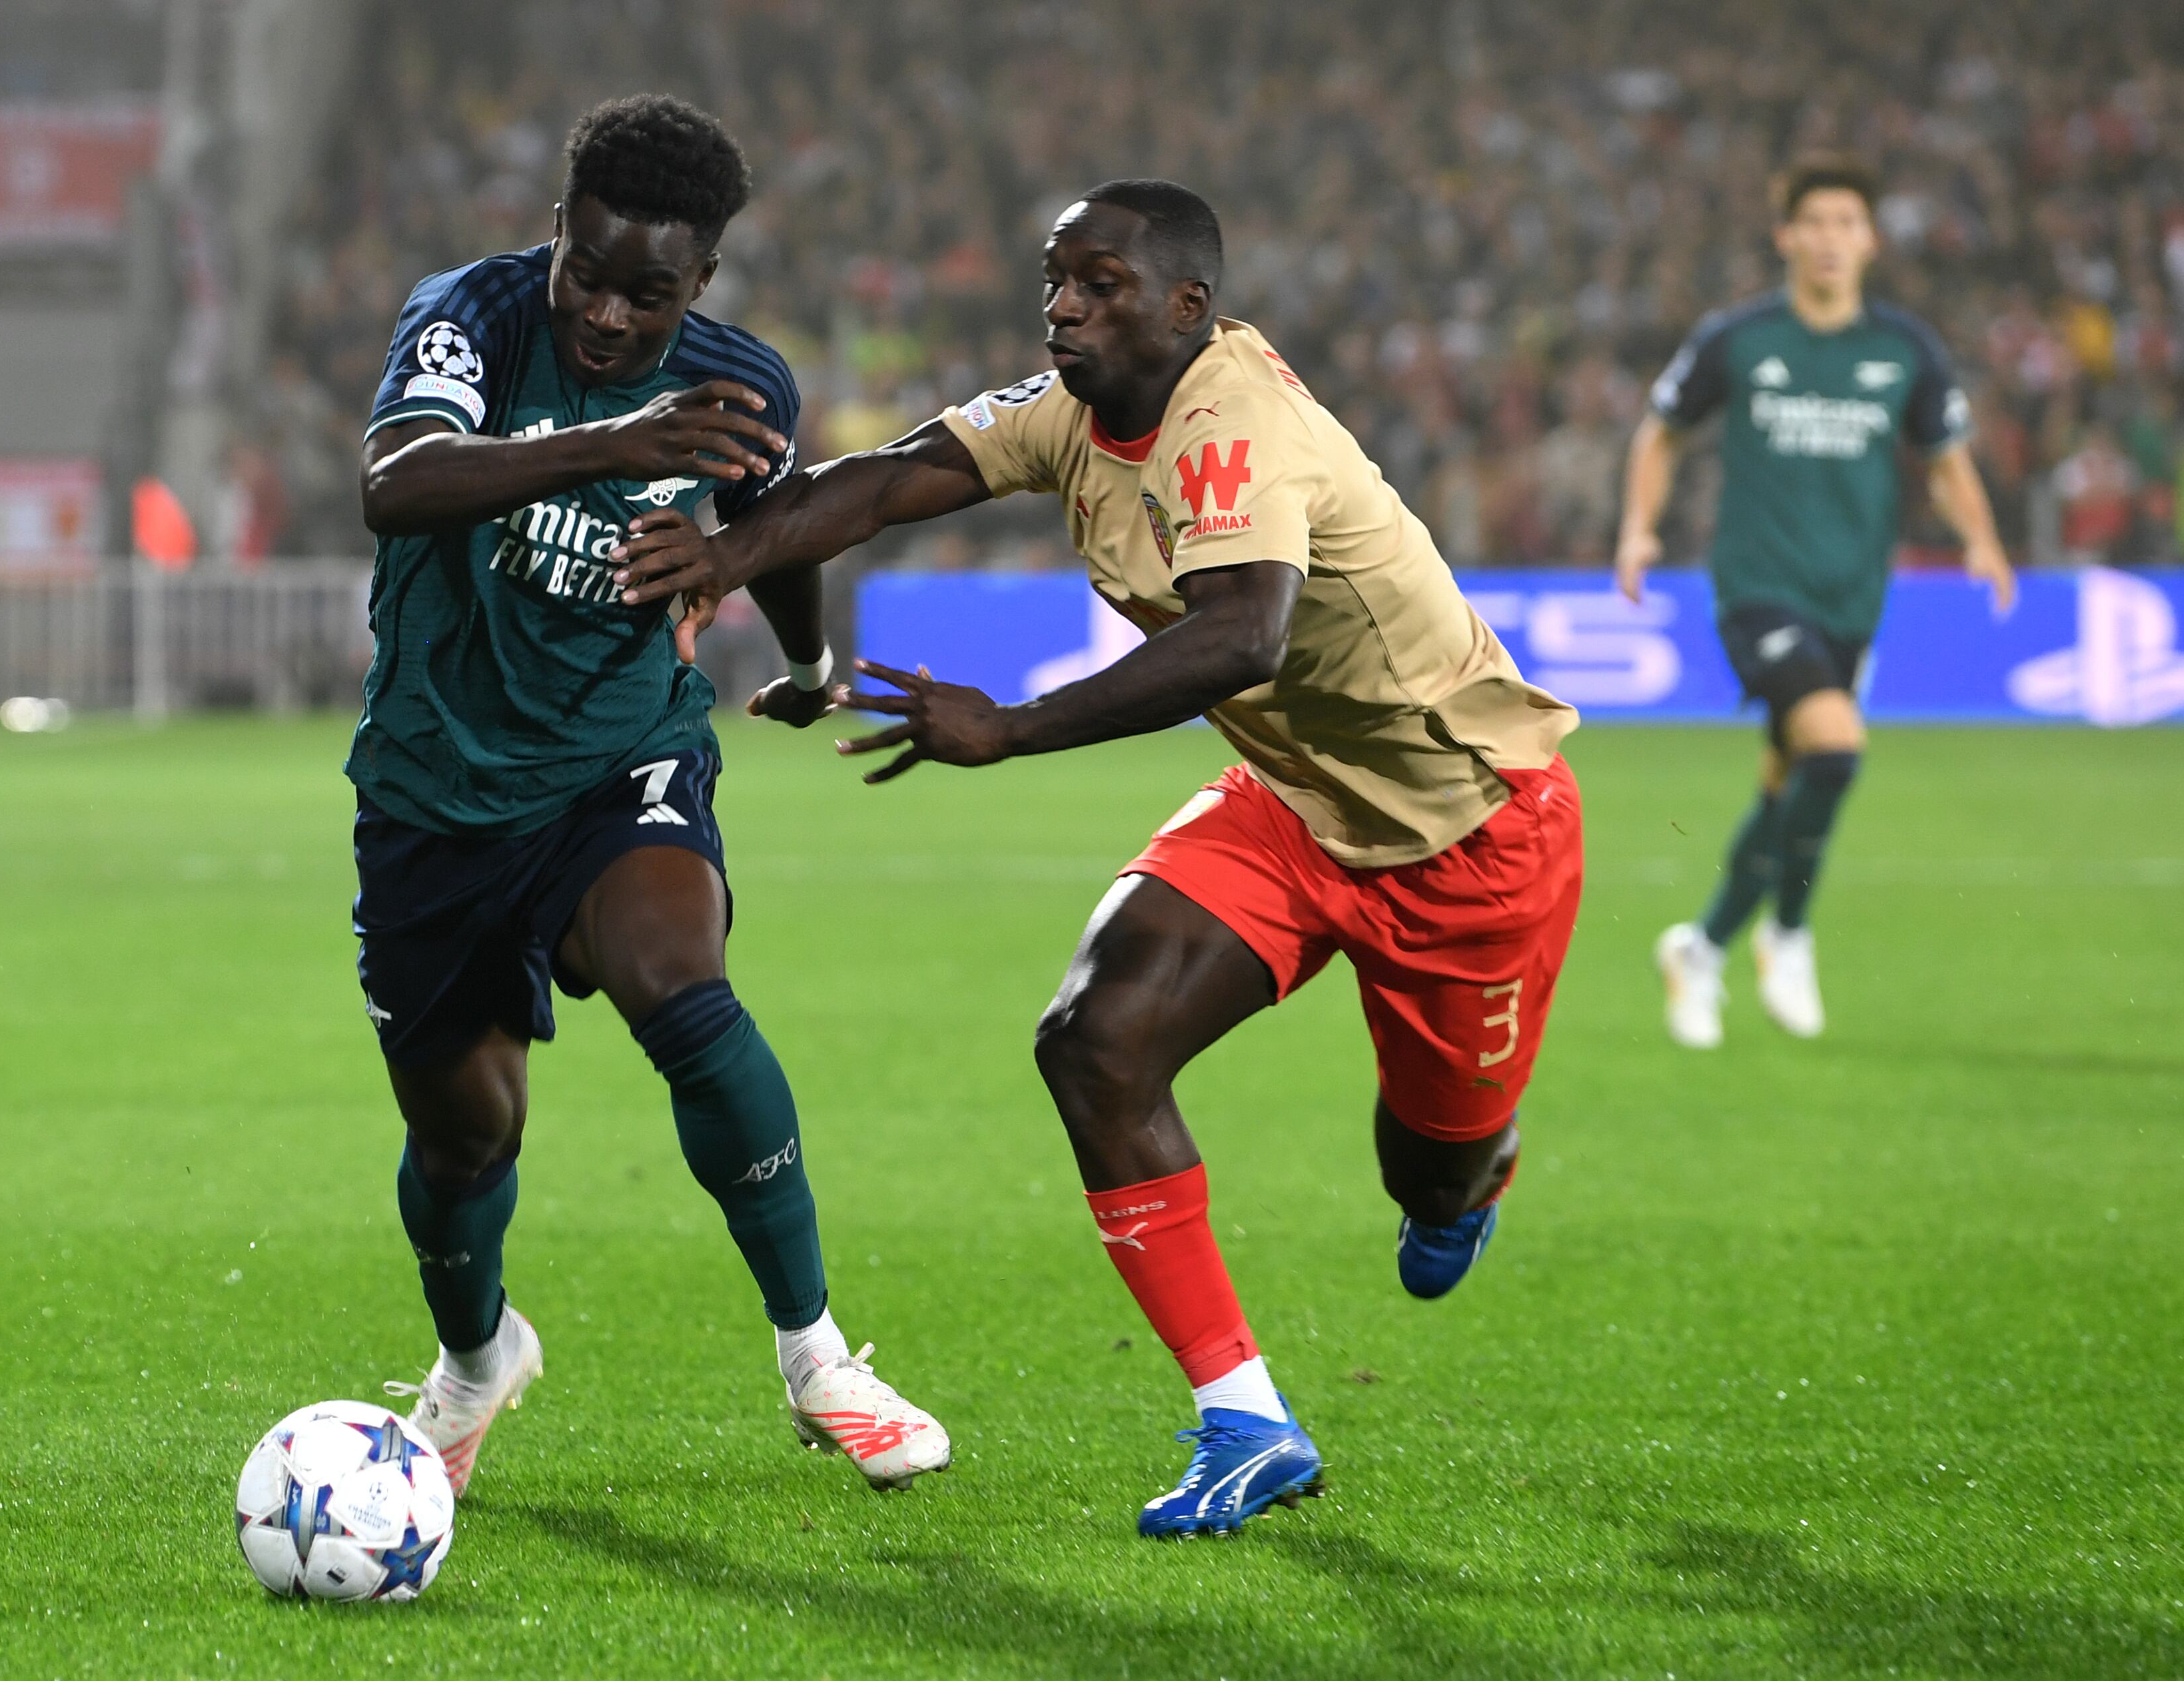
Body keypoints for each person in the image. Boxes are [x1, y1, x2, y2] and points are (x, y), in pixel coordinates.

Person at [612, 180, 1583, 1538]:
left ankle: (1470, 1170)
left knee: (1430, 1176)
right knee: (1094, 1037)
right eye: (1057, 279)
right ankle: (1247, 1420)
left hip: (1469, 836)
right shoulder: (1076, 405)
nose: (1064, 304)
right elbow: (886, 480)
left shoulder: (1231, 426)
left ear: (1188, 306)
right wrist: (724, 559)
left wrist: (1007, 728)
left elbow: (1240, 635)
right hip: (1294, 804)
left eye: (1101, 283)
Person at [350, 95, 949, 1498]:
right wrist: (614, 447)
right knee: (463, 1133)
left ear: (705, 283)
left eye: (650, 293)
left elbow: (774, 519)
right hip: (436, 785)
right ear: (555, 233)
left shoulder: (741, 383)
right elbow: (396, 482)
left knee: (680, 984)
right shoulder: (469, 321)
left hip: (622, 756)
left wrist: (799, 655)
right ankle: (476, 1356)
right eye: (590, 274)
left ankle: (819, 1358)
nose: (611, 316)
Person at [1614, 155, 2015, 1049]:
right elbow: (1662, 431)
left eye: (1848, 223)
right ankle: (1787, 935)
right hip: (1759, 591)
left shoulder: (1902, 350)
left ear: (1870, 239)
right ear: (1785, 236)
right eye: (1815, 222)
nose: (1831, 239)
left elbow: (1945, 459)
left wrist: (1982, 538)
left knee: (1790, 782)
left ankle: (1703, 945)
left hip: (1852, 603)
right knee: (1833, 749)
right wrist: (1637, 528)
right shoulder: (1739, 339)